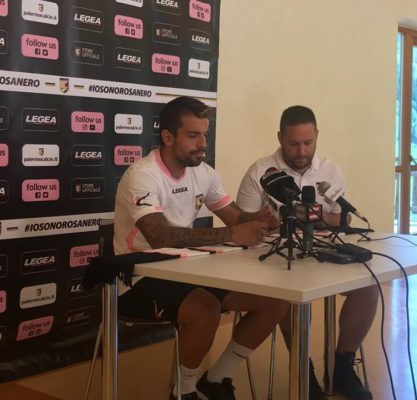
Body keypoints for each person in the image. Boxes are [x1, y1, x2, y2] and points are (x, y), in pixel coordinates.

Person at [114, 96, 289, 400]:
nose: (202, 144)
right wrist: (233, 233)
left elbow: (232, 215)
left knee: (275, 301)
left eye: (205, 134)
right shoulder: (141, 175)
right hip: (139, 275)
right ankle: (183, 393)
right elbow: (159, 237)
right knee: (205, 309)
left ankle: (217, 379)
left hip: (188, 271)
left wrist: (258, 220)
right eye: (193, 135)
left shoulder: (203, 172)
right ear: (168, 137)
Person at [236, 105, 378, 400]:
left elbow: (343, 220)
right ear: (280, 138)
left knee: (368, 286)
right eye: (293, 144)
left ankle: (342, 366)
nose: (302, 151)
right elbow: (242, 226)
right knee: (290, 293)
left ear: (317, 136)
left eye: (308, 142)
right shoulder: (261, 171)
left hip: (321, 252)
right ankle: (304, 370)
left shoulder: (330, 170)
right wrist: (270, 221)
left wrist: (318, 217)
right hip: (275, 259)